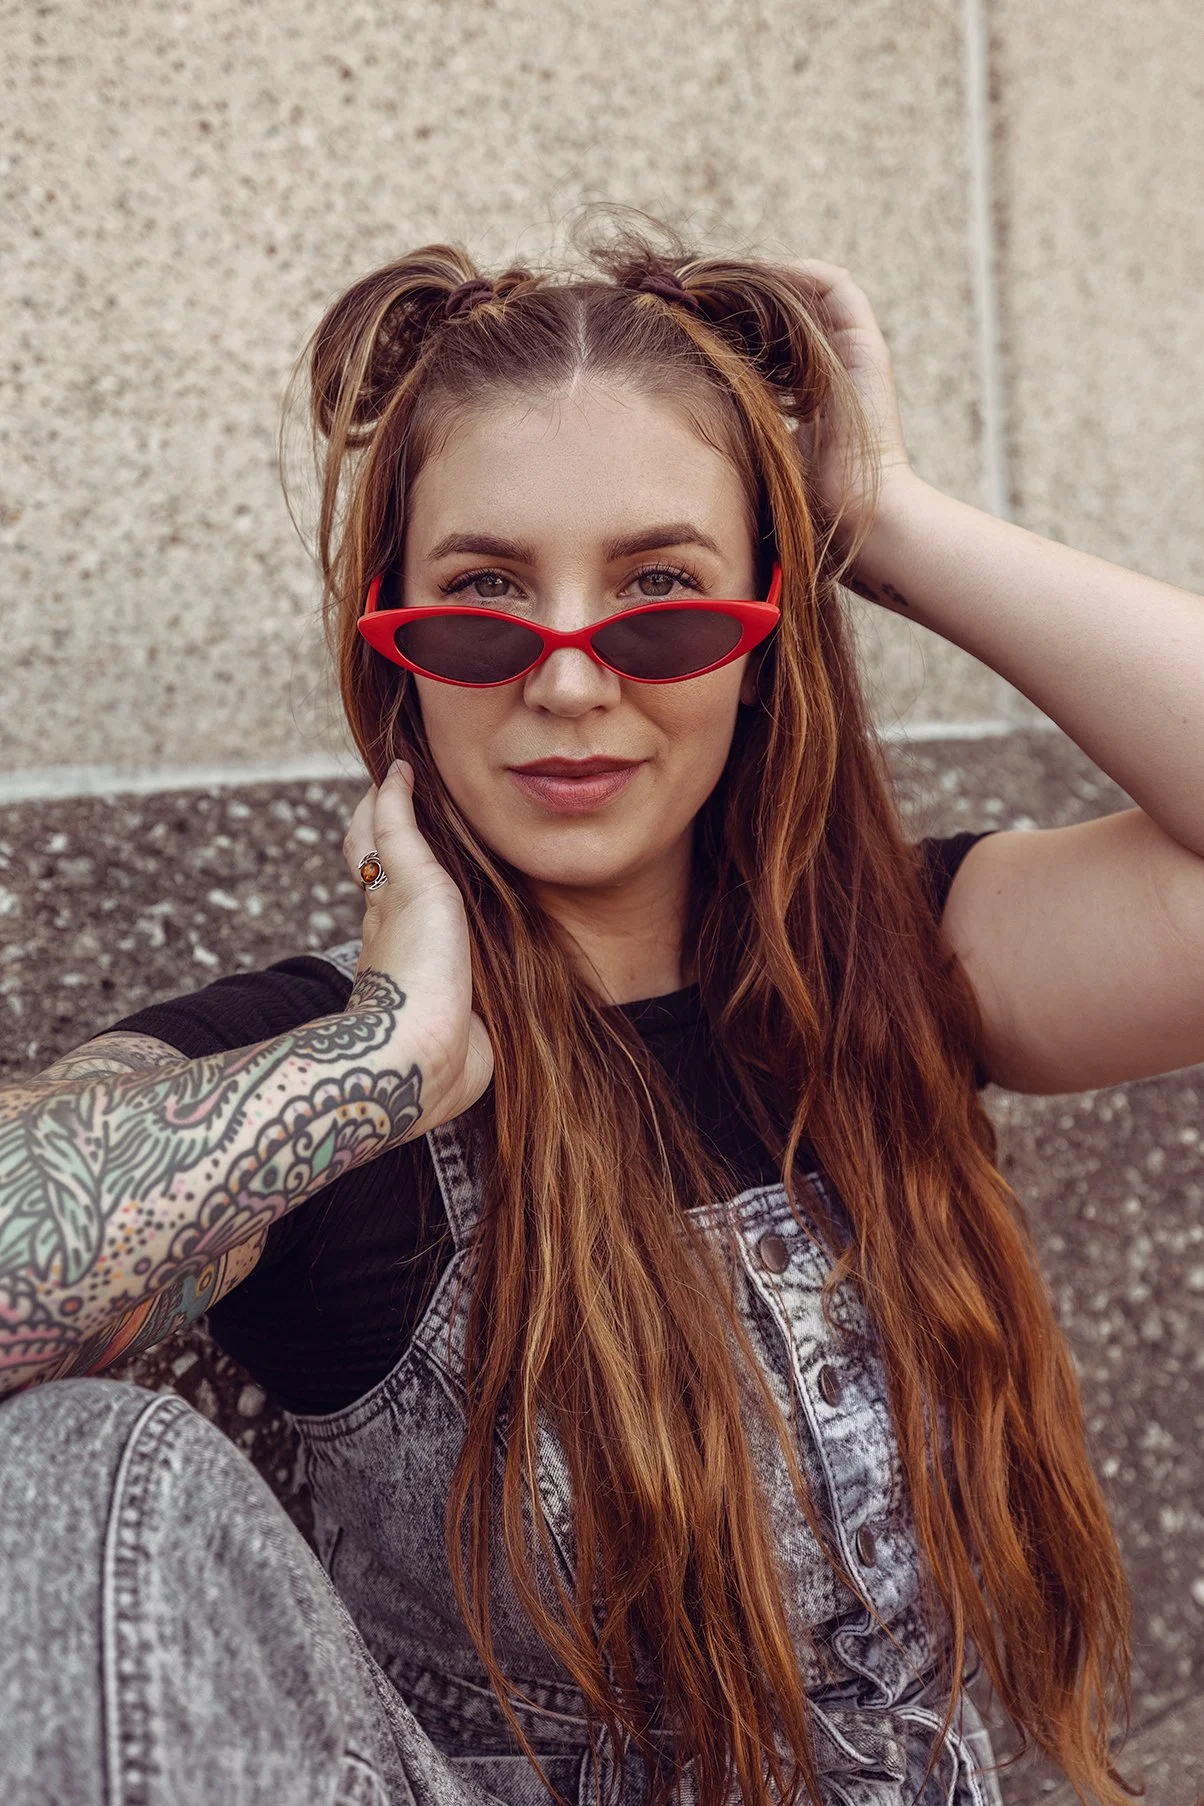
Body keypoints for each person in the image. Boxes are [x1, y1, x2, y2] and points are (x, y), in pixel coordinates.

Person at [1, 223, 1202, 1806]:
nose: (569, 681)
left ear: (767, 645)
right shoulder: (328, 1062)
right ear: (399, 650)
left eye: (661, 596)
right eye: (485, 599)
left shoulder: (899, 962)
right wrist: (390, 1056)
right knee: (70, 1472)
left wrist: (885, 522)